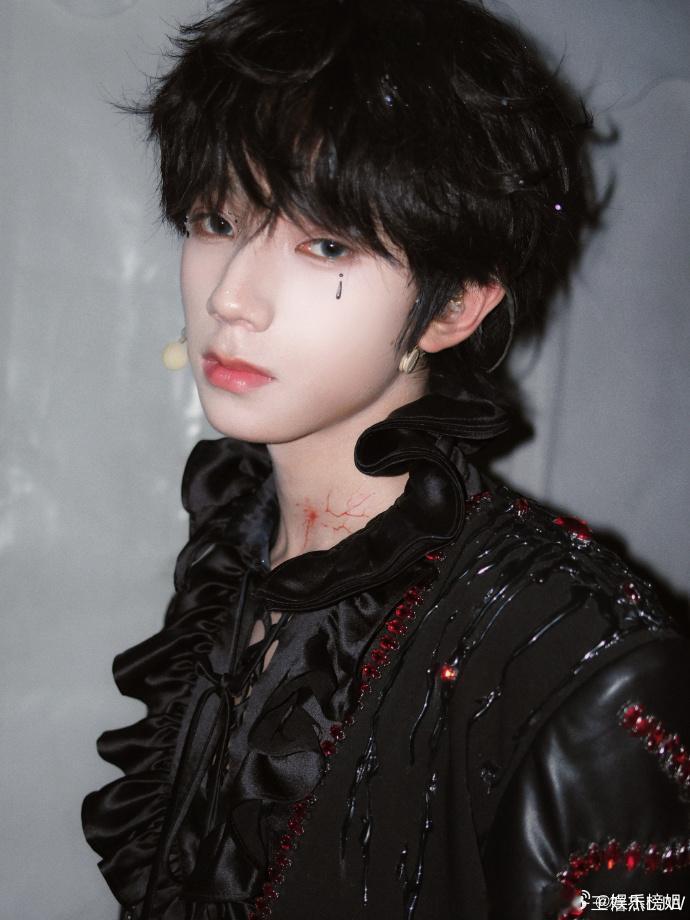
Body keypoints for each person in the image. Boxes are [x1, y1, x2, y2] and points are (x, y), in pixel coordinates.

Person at [82, 0, 690, 917]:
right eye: (215, 220)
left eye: (325, 242)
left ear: (454, 308)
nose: (232, 297)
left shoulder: (575, 660)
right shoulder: (235, 556)